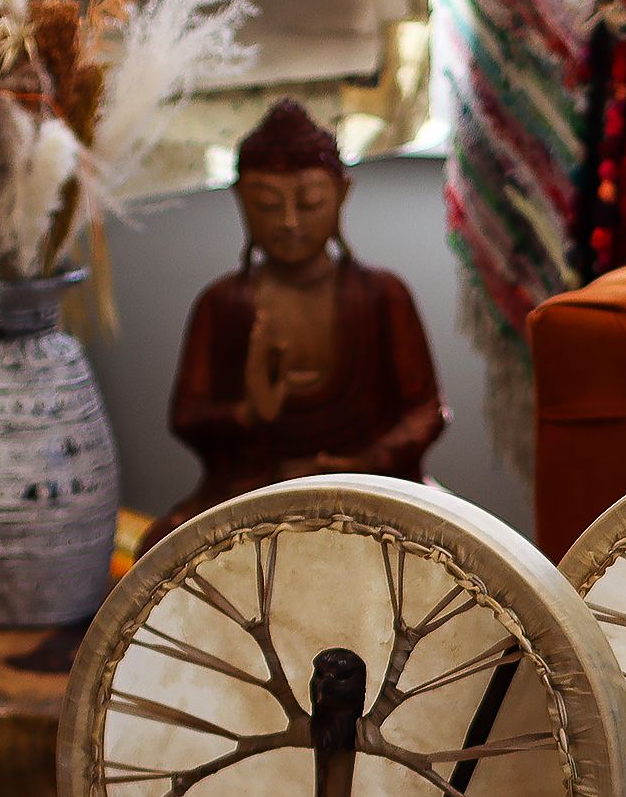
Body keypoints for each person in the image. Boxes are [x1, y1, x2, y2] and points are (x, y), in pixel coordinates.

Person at [143, 99, 446, 548]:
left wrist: (360, 463)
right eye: (267, 205)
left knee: (460, 550)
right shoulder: (222, 303)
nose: (288, 222)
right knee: (160, 546)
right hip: (254, 488)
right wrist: (249, 413)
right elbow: (187, 417)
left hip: (370, 486)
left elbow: (425, 412)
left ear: (341, 194)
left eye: (310, 203)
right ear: (242, 200)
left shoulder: (382, 295)